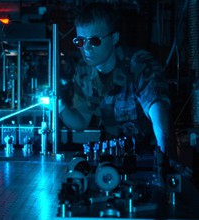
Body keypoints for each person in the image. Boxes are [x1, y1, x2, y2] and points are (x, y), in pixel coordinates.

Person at [58, 2, 176, 160]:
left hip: (149, 156)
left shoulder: (139, 64)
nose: (86, 49)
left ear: (114, 38)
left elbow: (158, 111)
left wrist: (164, 160)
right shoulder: (84, 71)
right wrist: (57, 104)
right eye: (80, 41)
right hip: (112, 158)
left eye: (94, 41)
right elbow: (81, 121)